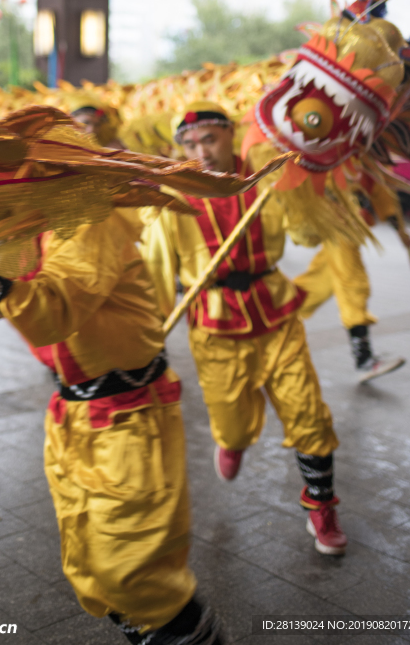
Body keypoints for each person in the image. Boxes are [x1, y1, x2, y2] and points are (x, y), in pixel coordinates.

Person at [0, 207, 226, 645]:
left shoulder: (86, 217)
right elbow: (44, 294)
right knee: (90, 567)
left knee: (131, 568)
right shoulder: (38, 221)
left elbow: (54, 310)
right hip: (73, 415)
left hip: (129, 417)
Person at [142, 102, 347, 556]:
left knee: (309, 414)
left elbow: (306, 235)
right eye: (191, 144)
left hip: (276, 314)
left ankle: (321, 504)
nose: (202, 151)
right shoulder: (171, 199)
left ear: (231, 135)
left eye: (209, 140)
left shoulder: (270, 179)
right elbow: (157, 276)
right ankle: (231, 441)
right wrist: (148, 340)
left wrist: (318, 191)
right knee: (232, 426)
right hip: (216, 327)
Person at [293, 178, 406, 383]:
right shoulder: (332, 148)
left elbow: (378, 187)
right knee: (352, 282)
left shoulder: (362, 150)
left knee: (317, 284)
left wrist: (400, 229)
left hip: (350, 224)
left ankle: (266, 319)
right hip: (335, 223)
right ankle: (364, 359)